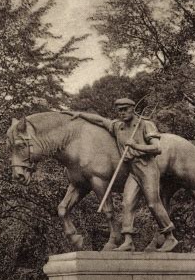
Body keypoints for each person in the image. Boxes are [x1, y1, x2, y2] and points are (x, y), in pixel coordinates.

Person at [68, 98, 178, 252]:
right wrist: (79, 114)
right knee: (127, 203)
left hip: (147, 168)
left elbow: (157, 148)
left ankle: (170, 237)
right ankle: (128, 241)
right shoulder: (118, 126)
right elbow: (100, 121)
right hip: (132, 170)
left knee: (153, 204)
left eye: (125, 109)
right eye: (120, 110)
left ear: (133, 109)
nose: (122, 112)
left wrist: (135, 145)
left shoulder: (145, 124)